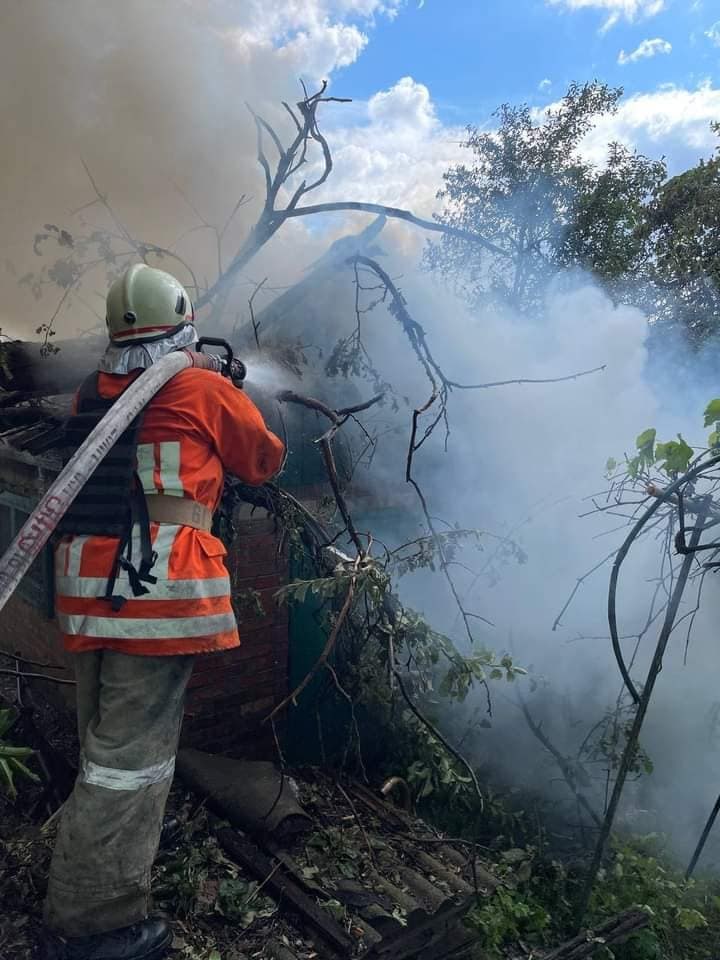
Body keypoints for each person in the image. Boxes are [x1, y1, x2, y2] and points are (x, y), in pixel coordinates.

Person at [40, 263, 285, 960]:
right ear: (182, 325)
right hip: (151, 590)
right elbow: (262, 460)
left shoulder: (93, 392)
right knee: (129, 761)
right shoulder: (202, 388)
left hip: (86, 591)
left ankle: (122, 842)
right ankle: (94, 921)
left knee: (105, 746)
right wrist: (233, 391)